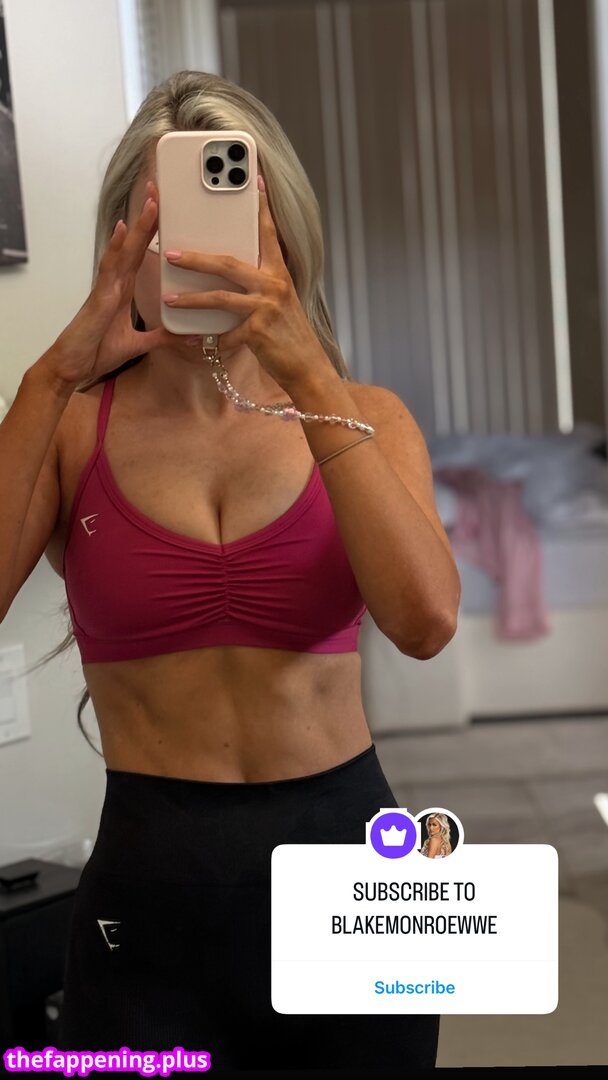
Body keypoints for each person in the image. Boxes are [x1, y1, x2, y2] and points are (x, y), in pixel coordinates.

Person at [1, 71, 460, 1071]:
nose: (198, 254)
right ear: (121, 244)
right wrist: (56, 369)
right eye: (163, 225)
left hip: (353, 862)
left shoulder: (369, 417)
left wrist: (307, 373)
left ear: (281, 235)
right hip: (147, 888)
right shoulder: (72, 426)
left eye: (229, 222)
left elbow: (426, 624)